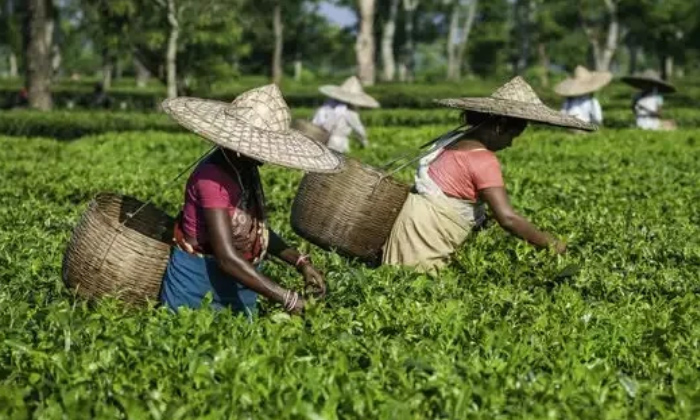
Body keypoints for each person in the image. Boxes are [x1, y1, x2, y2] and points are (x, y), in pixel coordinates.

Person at [160, 84, 344, 318]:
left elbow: (256, 229)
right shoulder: (212, 179)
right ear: (238, 147)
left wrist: (301, 262)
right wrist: (289, 299)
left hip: (240, 284)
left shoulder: (244, 168)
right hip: (197, 290)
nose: (264, 158)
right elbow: (226, 258)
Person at [382, 77, 597, 272]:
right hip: (426, 243)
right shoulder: (483, 159)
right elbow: (508, 218)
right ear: (500, 126)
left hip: (408, 232)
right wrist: (553, 245)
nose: (511, 143)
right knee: (420, 287)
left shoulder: (451, 142)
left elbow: (456, 196)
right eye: (513, 135)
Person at [312, 76, 380, 154]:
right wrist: (366, 143)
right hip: (338, 143)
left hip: (322, 138)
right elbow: (358, 129)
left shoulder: (329, 105)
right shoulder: (349, 112)